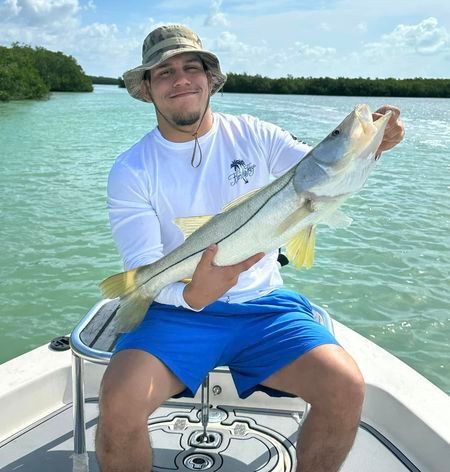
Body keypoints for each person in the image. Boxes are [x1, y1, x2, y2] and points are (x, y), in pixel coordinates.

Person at [96, 24, 405, 472]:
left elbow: (316, 169)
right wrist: (190, 294)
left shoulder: (256, 135)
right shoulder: (131, 169)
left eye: (190, 67)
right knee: (119, 402)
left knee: (346, 386)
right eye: (164, 72)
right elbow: (143, 264)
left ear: (209, 78)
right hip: (176, 310)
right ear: (146, 88)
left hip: (264, 307)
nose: (180, 78)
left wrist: (372, 147)